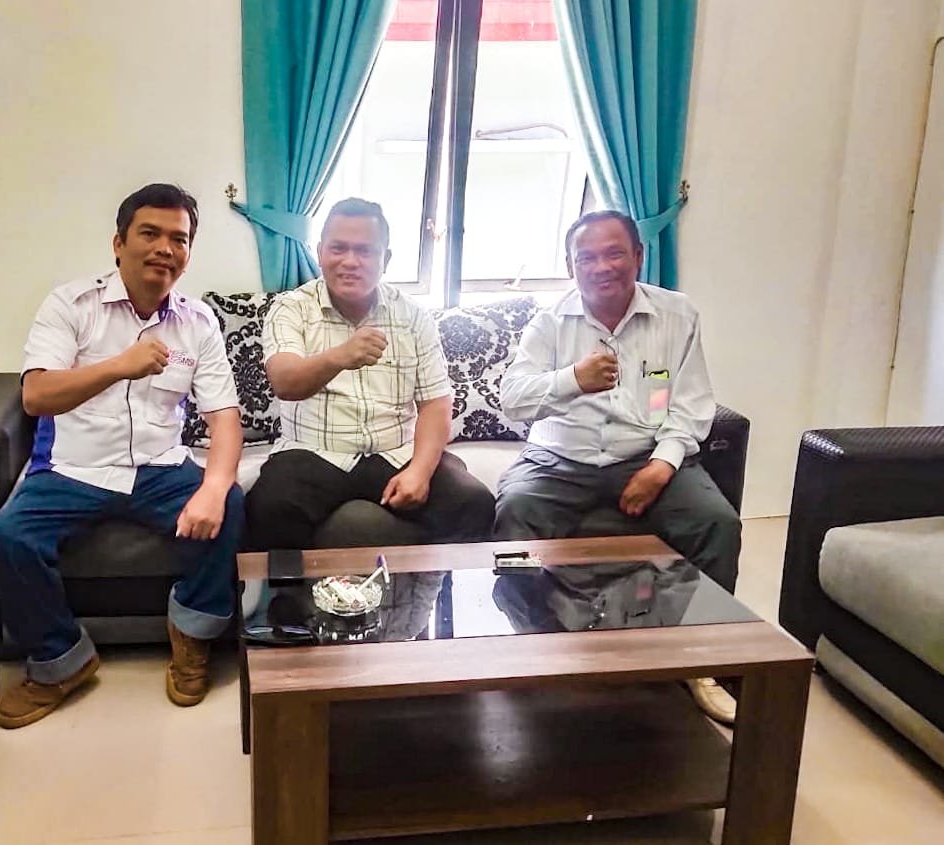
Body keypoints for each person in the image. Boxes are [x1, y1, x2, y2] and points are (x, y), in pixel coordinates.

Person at [0, 183, 244, 729]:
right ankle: (61, 662)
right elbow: (36, 395)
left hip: (160, 467)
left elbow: (224, 418)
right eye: (149, 233)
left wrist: (214, 489)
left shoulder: (198, 322)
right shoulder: (71, 305)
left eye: (179, 238)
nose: (165, 248)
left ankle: (192, 639)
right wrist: (118, 366)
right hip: (74, 468)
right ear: (118, 243)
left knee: (230, 503)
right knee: (10, 537)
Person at [494, 209, 742, 723]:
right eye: (586, 257)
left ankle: (701, 661)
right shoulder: (550, 322)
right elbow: (513, 400)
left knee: (717, 523)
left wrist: (662, 465)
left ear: (638, 256)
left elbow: (691, 405)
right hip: (560, 457)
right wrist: (572, 379)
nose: (601, 267)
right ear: (570, 265)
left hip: (644, 453)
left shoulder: (677, 315)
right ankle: (536, 643)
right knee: (514, 518)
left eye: (614, 254)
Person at [245, 197, 494, 551]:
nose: (350, 261)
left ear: (385, 259)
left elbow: (436, 404)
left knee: (473, 502)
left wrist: (420, 472)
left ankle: (436, 586)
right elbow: (285, 382)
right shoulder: (291, 308)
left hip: (396, 453)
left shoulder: (412, 316)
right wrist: (340, 356)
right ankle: (299, 590)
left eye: (364, 251)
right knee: (268, 507)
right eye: (338, 248)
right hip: (314, 454)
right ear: (320, 252)